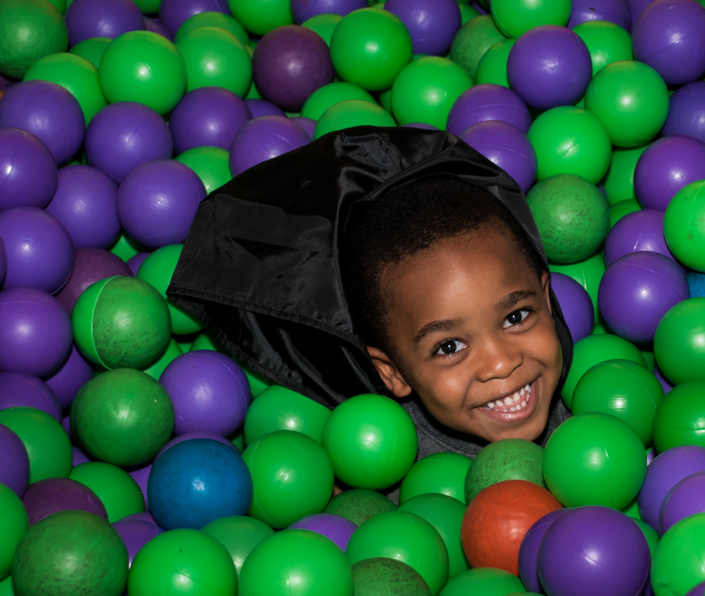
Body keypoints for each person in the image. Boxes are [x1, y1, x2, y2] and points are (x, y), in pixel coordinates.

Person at [168, 126, 574, 460]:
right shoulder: (380, 460)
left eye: (516, 317)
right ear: (391, 372)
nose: (500, 364)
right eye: (449, 346)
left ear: (545, 295)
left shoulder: (594, 402)